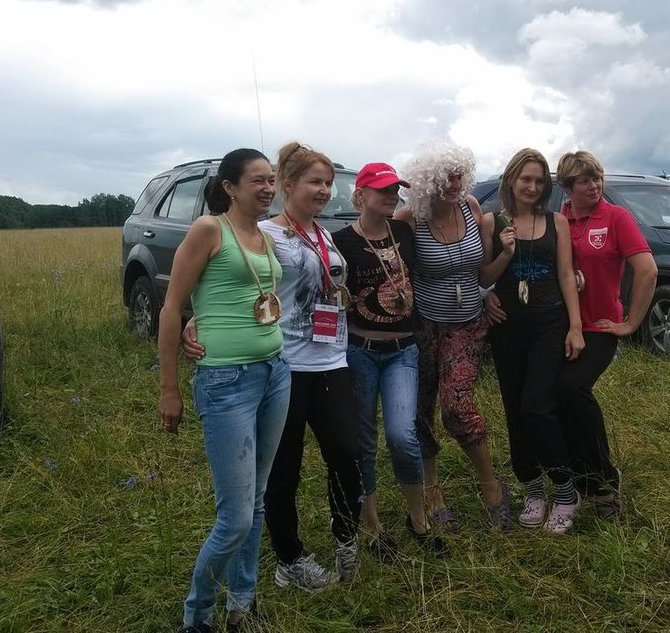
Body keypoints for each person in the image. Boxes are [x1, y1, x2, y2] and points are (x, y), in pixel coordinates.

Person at [184, 143, 362, 592]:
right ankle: (289, 557)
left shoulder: (325, 235)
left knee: (347, 454)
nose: (324, 191)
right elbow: (226, 283)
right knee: (285, 468)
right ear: (288, 185)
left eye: (328, 184)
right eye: (315, 182)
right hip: (284, 363)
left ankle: (346, 536)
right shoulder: (263, 233)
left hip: (332, 359)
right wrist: (195, 321)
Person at [158, 148, 291, 633]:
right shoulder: (208, 229)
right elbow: (171, 308)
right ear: (230, 187)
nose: (268, 188)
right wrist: (169, 388)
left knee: (255, 501)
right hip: (226, 381)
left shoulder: (266, 236)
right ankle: (197, 615)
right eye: (257, 180)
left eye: (271, 179)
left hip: (275, 373)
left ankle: (242, 603)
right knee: (234, 517)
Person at [332, 162, 448, 559]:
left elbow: (444, 208)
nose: (391, 195)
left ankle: (418, 520)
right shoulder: (340, 242)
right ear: (361, 194)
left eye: (395, 189)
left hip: (403, 351)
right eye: (382, 189)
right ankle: (373, 527)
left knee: (402, 435)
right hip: (360, 352)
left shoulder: (403, 230)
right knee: (364, 440)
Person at [394, 141, 511, 531]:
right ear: (427, 181)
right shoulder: (410, 218)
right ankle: (432, 491)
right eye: (445, 178)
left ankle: (491, 486)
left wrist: (491, 288)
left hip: (467, 322)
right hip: (424, 325)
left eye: (459, 176)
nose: (454, 184)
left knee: (457, 406)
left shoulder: (472, 208)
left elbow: (483, 272)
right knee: (421, 408)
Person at [479, 148, 586, 534]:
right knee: (514, 408)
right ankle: (532, 488)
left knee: (537, 405)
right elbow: (484, 277)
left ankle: (565, 489)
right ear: (511, 180)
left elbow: (565, 274)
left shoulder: (556, 221)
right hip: (507, 326)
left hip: (549, 323)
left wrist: (575, 326)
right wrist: (506, 254)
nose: (533, 186)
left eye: (540, 181)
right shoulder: (491, 221)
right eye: (526, 179)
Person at [556, 150, 657, 516]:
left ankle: (604, 481)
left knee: (573, 388)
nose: (594, 185)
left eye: (597, 178)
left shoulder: (615, 217)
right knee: (556, 397)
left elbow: (647, 270)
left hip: (599, 327)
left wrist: (631, 322)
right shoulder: (560, 219)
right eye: (584, 180)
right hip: (565, 325)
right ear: (568, 186)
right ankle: (577, 478)